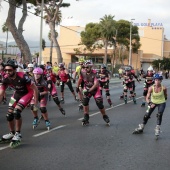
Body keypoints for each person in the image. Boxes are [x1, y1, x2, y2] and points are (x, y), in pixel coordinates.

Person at [0, 60, 38, 148]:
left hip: (27, 94)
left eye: (10, 70)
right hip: (17, 94)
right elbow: (1, 93)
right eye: (6, 70)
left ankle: (18, 133)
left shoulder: (23, 77)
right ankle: (12, 133)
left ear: (15, 70)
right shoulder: (5, 78)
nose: (7, 72)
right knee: (9, 115)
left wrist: (35, 102)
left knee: (16, 112)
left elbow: (35, 89)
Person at [133, 73, 167, 139]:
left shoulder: (164, 88)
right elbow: (147, 98)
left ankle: (157, 128)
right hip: (152, 102)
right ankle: (142, 127)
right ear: (154, 80)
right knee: (146, 115)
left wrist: (162, 101)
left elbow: (165, 96)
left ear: (161, 81)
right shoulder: (151, 88)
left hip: (161, 102)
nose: (157, 81)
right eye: (156, 80)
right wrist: (150, 103)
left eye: (159, 80)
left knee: (159, 114)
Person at [76, 60, 110, 126]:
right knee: (85, 102)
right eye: (84, 67)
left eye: (87, 67)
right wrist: (77, 86)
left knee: (99, 104)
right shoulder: (82, 72)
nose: (85, 69)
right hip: (87, 88)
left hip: (95, 90)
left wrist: (89, 90)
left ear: (91, 67)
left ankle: (105, 116)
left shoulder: (95, 73)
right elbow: (80, 79)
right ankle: (86, 117)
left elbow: (96, 84)